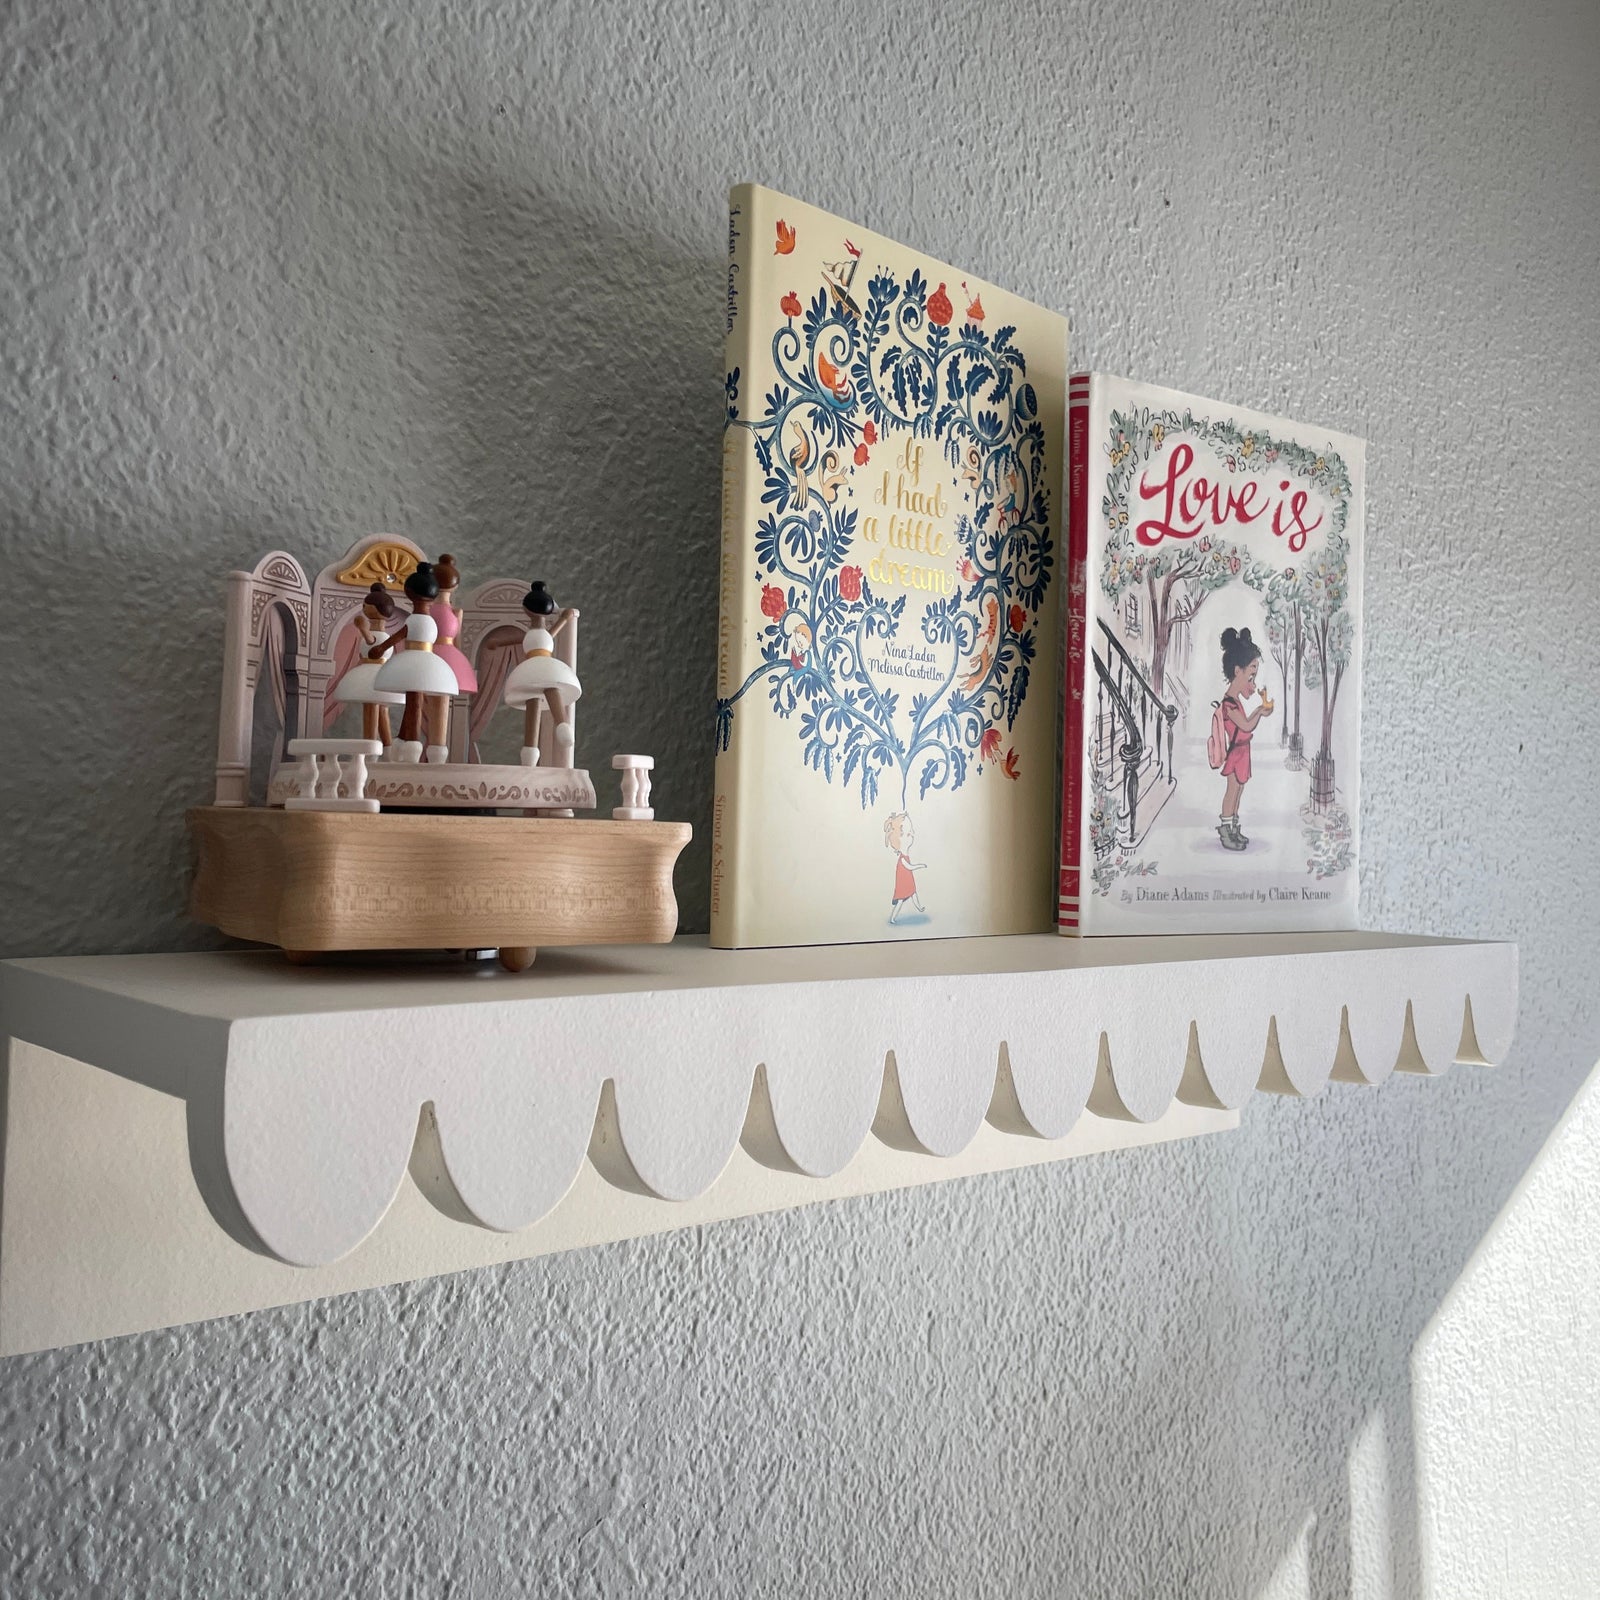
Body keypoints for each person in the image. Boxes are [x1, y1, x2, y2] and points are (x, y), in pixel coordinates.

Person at [1216, 626, 1274, 850]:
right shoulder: (1229, 704)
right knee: (1232, 790)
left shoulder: (1236, 702)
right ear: (1237, 671)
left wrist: (1259, 710)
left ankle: (1233, 828)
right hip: (1236, 752)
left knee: (1239, 790)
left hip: (1243, 752)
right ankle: (1225, 831)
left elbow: (1246, 725)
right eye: (1251, 676)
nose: (1253, 684)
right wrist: (1259, 711)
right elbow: (1246, 725)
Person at [884, 812, 927, 923]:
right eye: (909, 833)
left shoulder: (905, 856)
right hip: (903, 884)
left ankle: (919, 907)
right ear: (900, 840)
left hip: (908, 881)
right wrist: (920, 866)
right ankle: (893, 918)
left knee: (913, 893)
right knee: (900, 901)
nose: (912, 834)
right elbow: (910, 867)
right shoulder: (902, 858)